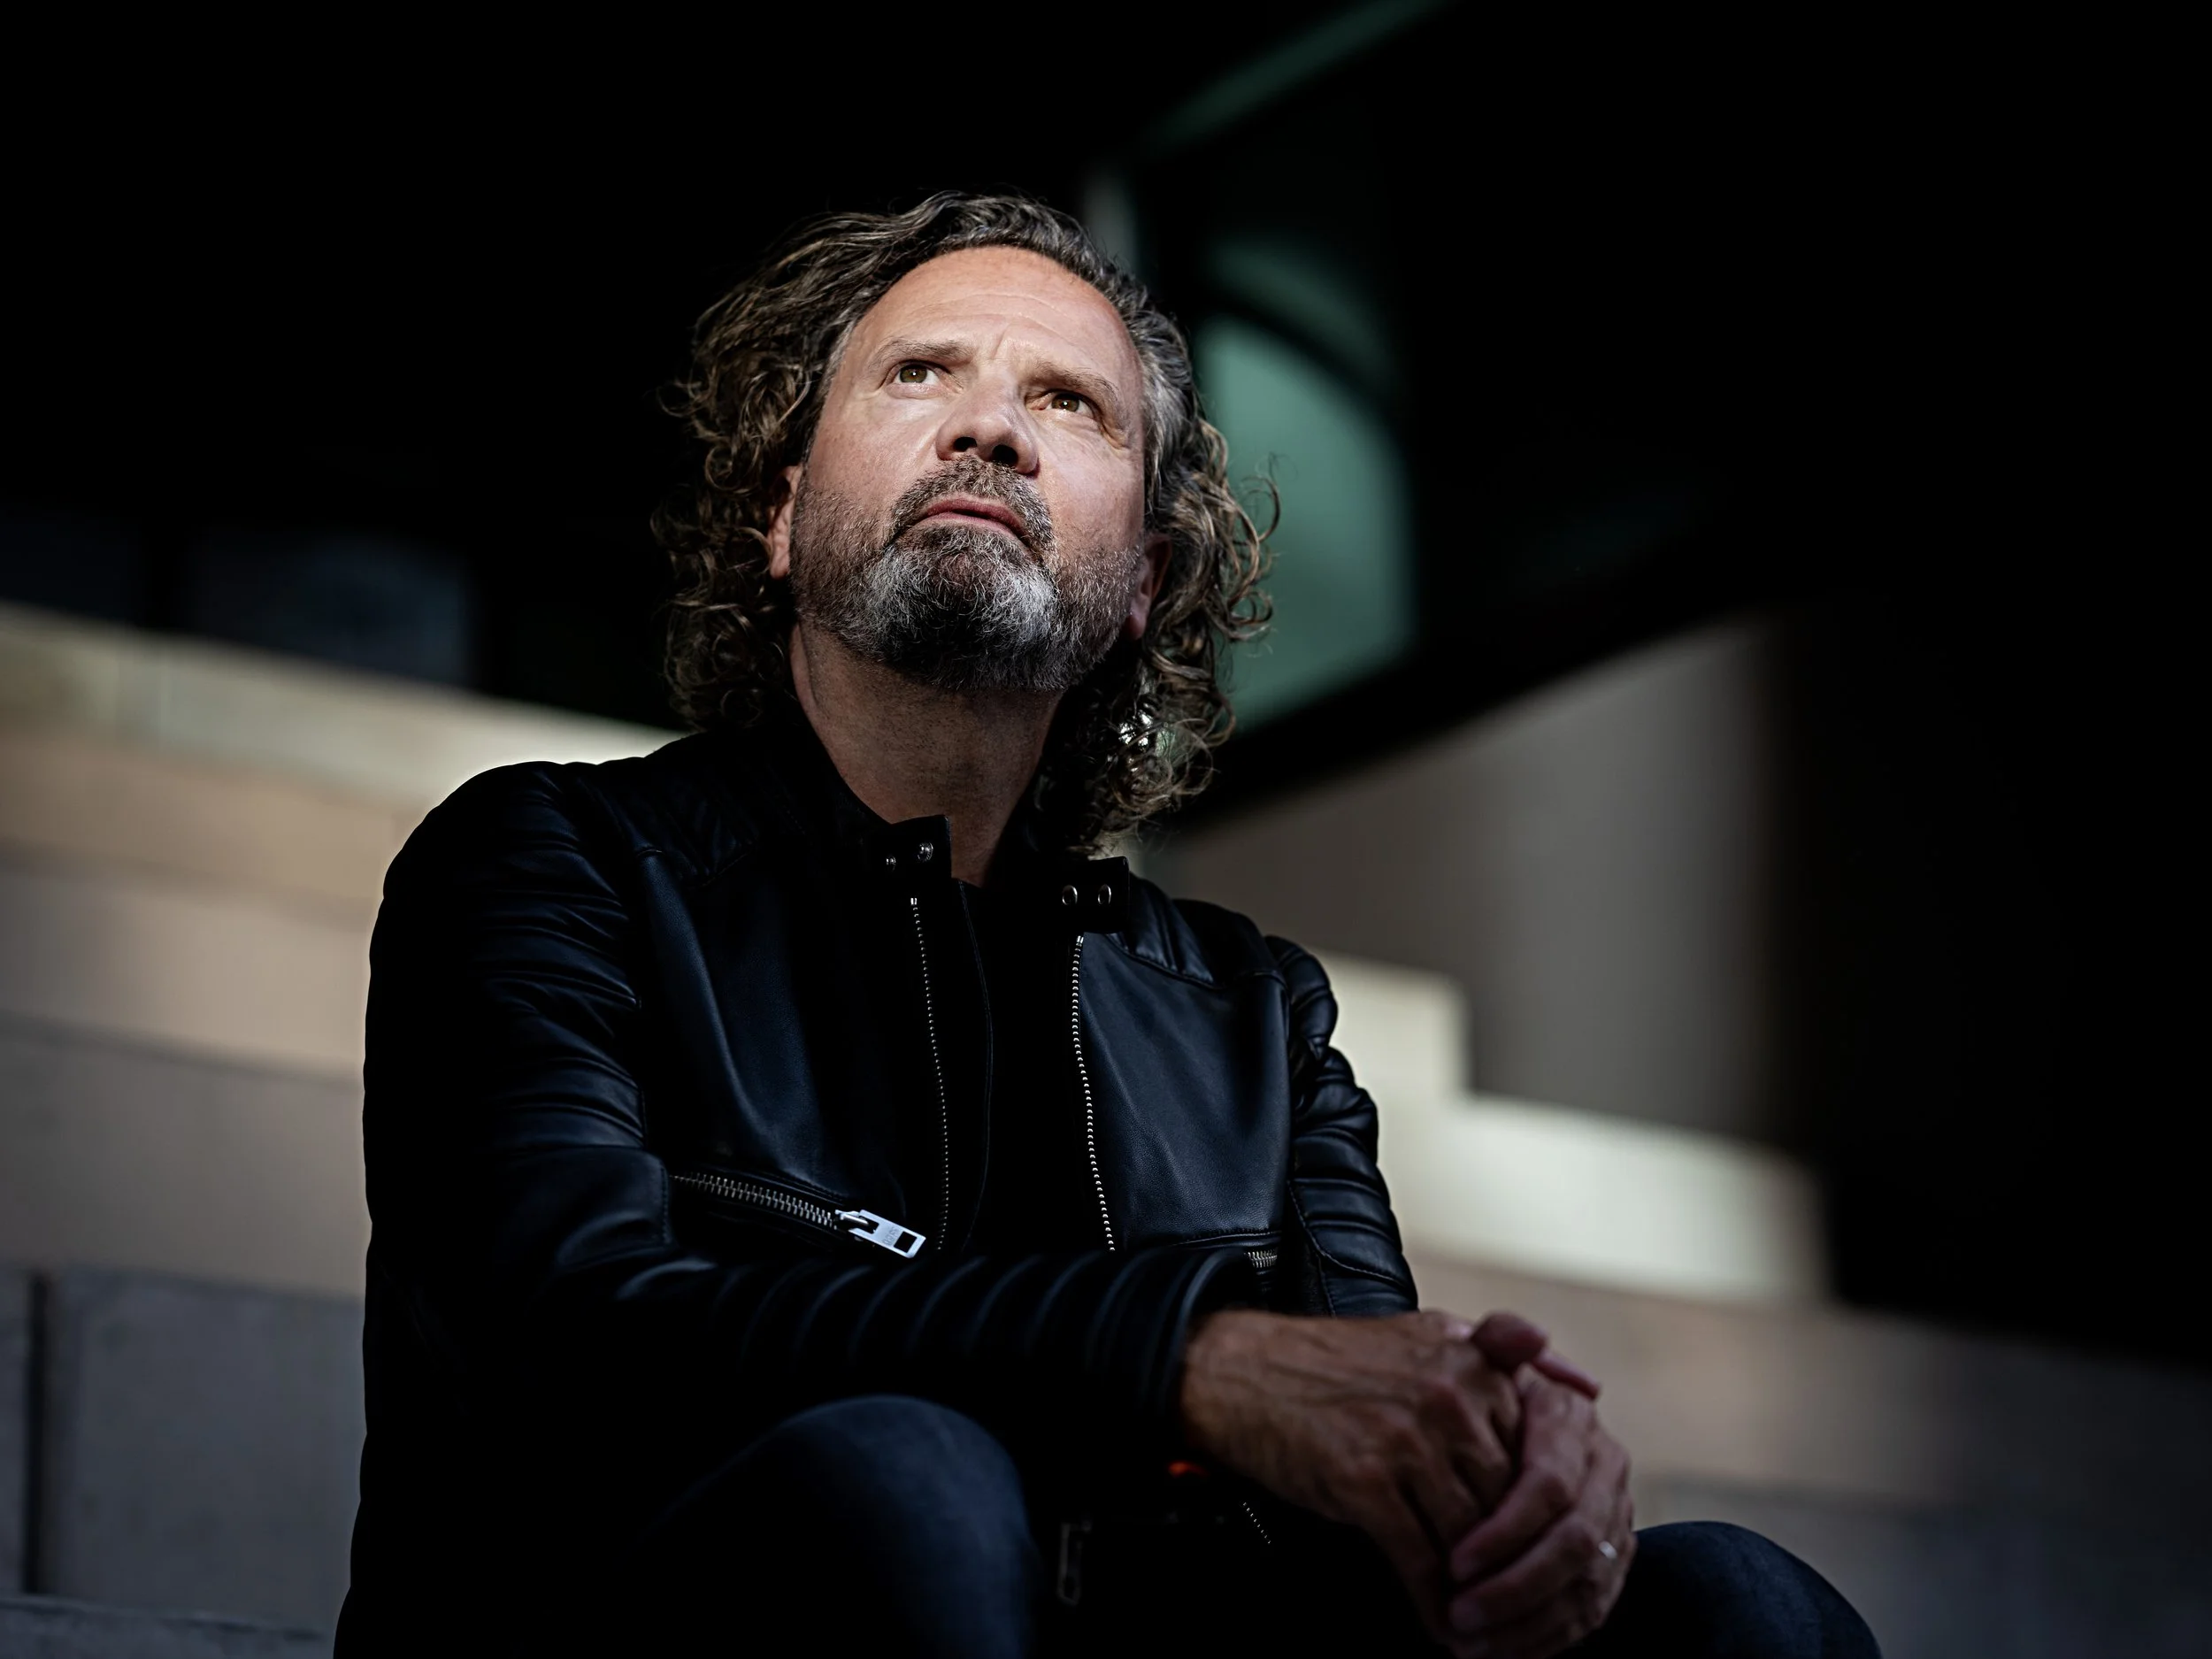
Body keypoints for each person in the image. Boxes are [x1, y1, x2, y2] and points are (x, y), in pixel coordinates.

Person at [336, 193, 1876, 1657]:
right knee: (905, 1483)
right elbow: (581, 1347)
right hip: (673, 1600)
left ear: (1140, 581)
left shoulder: (1252, 1015)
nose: (991, 422)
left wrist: (1511, 1474)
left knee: (1742, 1603)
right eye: (920, 372)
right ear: (784, 518)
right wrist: (1179, 1358)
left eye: (1068, 403)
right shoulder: (552, 864)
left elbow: (1359, 1433)